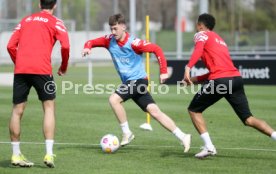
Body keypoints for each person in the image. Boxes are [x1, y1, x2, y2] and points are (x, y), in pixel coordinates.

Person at [82, 13, 191, 152]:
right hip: (130, 83)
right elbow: (91, 42)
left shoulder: (134, 43)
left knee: (114, 99)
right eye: (111, 29)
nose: (113, 32)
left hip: (139, 81)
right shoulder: (109, 40)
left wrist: (163, 71)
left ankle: (127, 132)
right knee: (155, 112)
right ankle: (183, 136)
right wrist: (87, 47)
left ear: (123, 27)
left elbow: (156, 49)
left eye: (115, 28)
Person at [182, 13, 276, 159]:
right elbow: (218, 69)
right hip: (235, 79)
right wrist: (193, 79)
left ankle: (209, 147)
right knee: (248, 119)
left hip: (221, 80)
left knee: (194, 110)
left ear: (200, 25)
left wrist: (188, 67)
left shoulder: (201, 34)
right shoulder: (220, 40)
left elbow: (199, 50)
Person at [7, 0, 70, 168]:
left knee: (17, 110)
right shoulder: (56, 22)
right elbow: (65, 46)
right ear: (55, 5)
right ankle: (49, 154)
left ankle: (15, 155)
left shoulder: (25, 20)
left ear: (39, 4)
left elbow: (10, 45)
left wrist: (19, 62)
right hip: (42, 70)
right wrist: (63, 67)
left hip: (21, 70)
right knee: (49, 108)